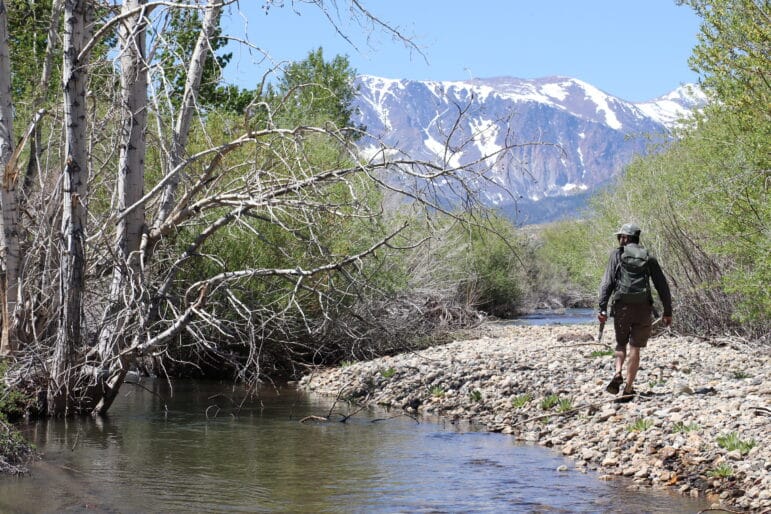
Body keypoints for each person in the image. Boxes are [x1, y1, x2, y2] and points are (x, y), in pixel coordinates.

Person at [598, 223, 672, 401]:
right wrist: (667, 311)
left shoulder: (617, 255)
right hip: (643, 308)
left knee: (620, 344)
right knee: (635, 348)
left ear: (625, 238)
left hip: (622, 306)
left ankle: (617, 372)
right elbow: (662, 286)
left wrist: (602, 307)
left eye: (620, 237)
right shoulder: (648, 257)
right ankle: (629, 388)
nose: (619, 240)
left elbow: (607, 283)